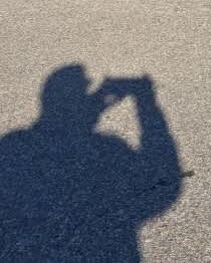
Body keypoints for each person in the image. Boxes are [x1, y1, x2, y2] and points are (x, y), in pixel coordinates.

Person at [0, 65, 181, 261]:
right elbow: (164, 186)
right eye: (85, 87)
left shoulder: (13, 143)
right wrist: (145, 98)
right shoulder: (111, 147)